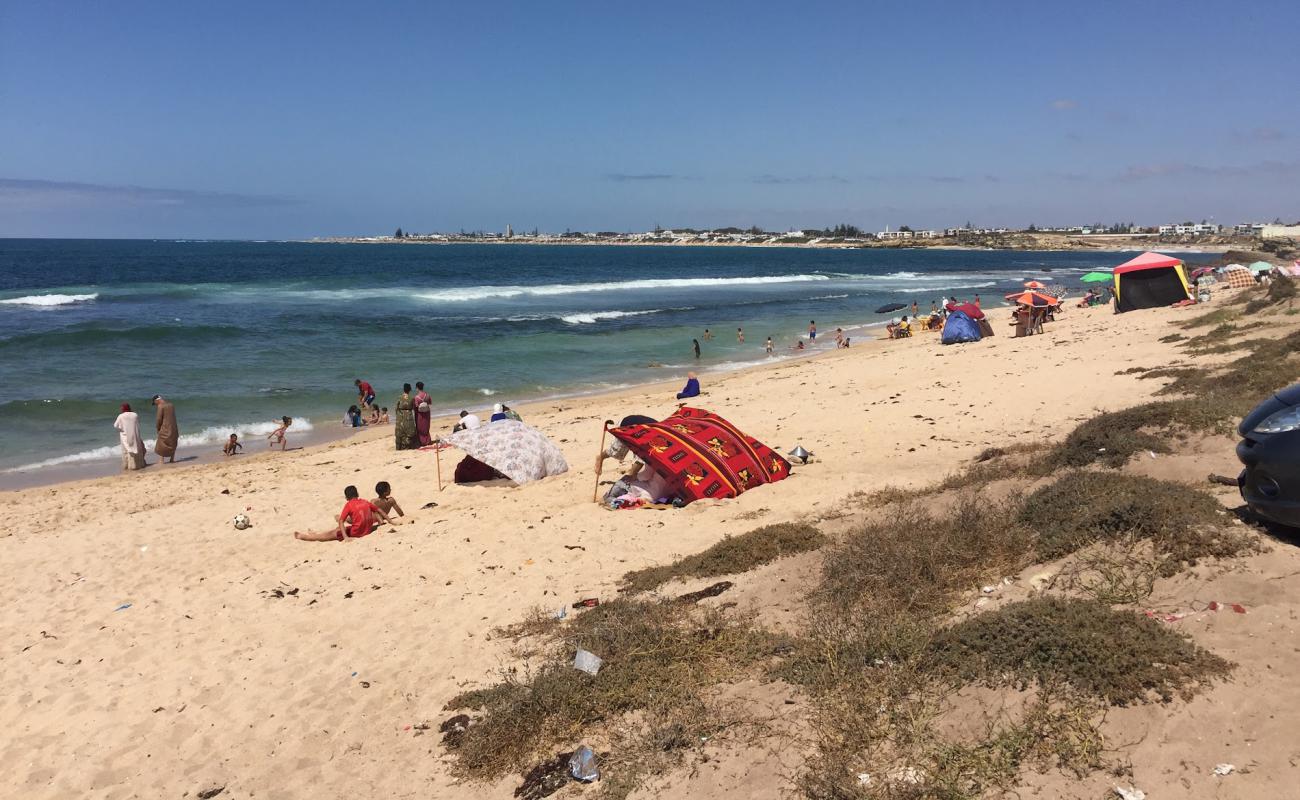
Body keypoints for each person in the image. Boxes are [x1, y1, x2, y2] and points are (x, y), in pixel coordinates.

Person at [294, 485, 394, 541]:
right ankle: (314, 533)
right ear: (357, 494)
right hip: (366, 530)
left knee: (332, 534)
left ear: (346, 498)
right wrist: (391, 521)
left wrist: (346, 538)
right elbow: (379, 510)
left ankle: (305, 537)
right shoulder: (365, 501)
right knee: (337, 529)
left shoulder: (349, 505)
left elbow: (341, 521)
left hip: (357, 533)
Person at [113, 403, 146, 470]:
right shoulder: (135, 415)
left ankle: (128, 466)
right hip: (135, 434)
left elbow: (115, 425)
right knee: (137, 448)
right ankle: (139, 464)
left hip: (125, 436)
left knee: (126, 450)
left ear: (123, 409)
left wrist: (121, 428)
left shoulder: (121, 416)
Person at [151, 395, 179, 463]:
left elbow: (159, 419)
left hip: (165, 427)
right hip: (174, 427)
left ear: (156, 400)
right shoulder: (171, 405)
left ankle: (161, 460)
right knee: (172, 442)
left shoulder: (160, 406)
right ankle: (172, 459)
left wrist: (158, 428)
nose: (156, 405)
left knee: (161, 443)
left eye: (155, 403)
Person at [394, 383, 418, 449]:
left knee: (400, 429)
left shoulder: (399, 397)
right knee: (409, 429)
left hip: (400, 414)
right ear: (410, 389)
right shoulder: (412, 398)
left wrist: (397, 415)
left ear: (403, 389)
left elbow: (396, 408)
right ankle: (409, 445)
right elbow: (413, 407)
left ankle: (400, 446)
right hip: (408, 414)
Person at [413, 381, 433, 446]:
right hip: (427, 413)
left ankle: (422, 441)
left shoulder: (416, 397)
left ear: (417, 388)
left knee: (420, 427)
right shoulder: (427, 395)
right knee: (426, 426)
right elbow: (430, 403)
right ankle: (428, 440)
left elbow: (415, 406)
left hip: (420, 414)